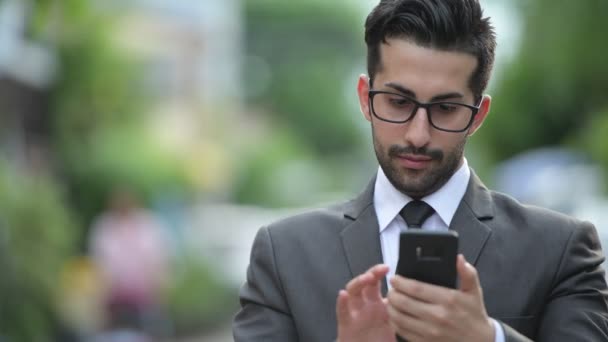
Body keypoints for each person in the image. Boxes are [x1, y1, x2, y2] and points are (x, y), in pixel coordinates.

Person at [232, 0, 608, 341]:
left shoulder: (560, 249)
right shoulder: (284, 254)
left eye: (445, 108)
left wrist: (488, 338)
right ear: (365, 98)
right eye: (398, 102)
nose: (418, 134)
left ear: (478, 116)